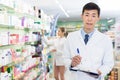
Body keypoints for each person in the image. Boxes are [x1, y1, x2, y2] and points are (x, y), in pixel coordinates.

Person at [63, 2, 114, 80]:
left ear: (98, 18)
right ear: (82, 16)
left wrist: (100, 71)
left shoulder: (105, 40)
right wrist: (71, 63)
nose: (89, 19)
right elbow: (64, 58)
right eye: (87, 15)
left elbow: (109, 63)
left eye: (93, 15)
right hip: (75, 77)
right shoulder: (71, 37)